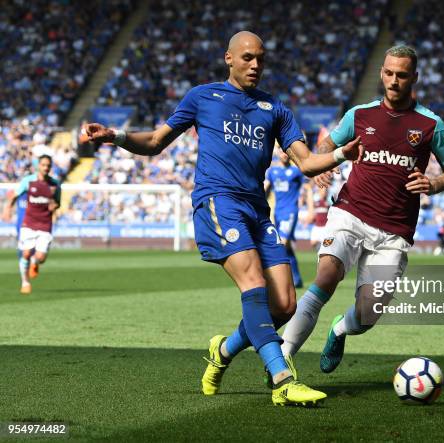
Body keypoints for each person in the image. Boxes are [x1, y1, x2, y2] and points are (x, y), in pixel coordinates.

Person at [85, 31, 362, 406]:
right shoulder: (203, 97)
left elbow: (309, 162)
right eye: (247, 57)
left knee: (284, 304)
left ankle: (223, 351)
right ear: (228, 58)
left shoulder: (275, 110)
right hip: (217, 201)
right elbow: (154, 142)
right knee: (252, 282)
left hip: (256, 211)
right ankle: (282, 378)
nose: (255, 65)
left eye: (260, 59)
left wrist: (343, 153)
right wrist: (114, 136)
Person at [280, 45, 444, 374]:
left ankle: (339, 330)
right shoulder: (359, 115)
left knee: (368, 314)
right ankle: (282, 359)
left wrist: (434, 184)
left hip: (394, 231)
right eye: (389, 73)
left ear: (414, 78)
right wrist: (322, 164)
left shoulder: (431, 125)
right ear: (381, 73)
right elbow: (326, 145)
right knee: (325, 277)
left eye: (402, 75)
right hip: (350, 213)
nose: (394, 81)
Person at [2, 155, 61, 295]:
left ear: (50, 167)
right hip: (29, 222)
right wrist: (7, 209)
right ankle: (25, 282)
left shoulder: (55, 184)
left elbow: (58, 203)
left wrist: (54, 205)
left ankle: (35, 262)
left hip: (45, 223)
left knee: (41, 258)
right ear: (38, 166)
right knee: (26, 252)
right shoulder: (28, 181)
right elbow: (15, 195)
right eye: (43, 165)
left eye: (48, 165)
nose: (46, 168)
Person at [265, 146, 308, 288]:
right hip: (277, 213)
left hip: (291, 212)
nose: (284, 154)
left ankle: (281, 279)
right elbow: (266, 188)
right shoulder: (272, 171)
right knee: (286, 247)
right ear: (277, 151)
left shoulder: (296, 171)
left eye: (286, 151)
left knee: (282, 244)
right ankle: (296, 278)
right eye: (281, 150)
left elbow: (307, 186)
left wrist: (306, 203)